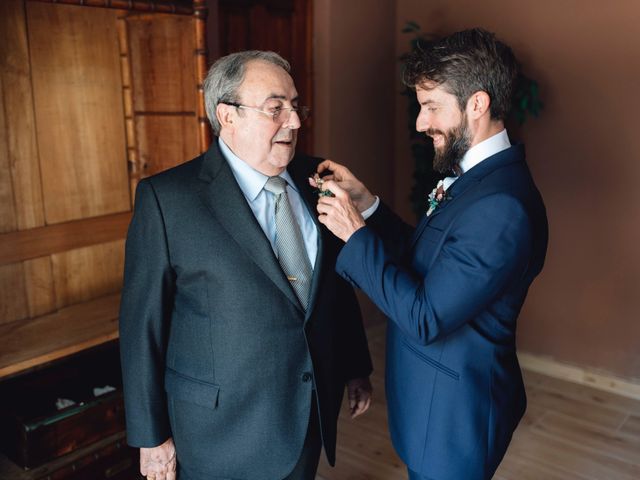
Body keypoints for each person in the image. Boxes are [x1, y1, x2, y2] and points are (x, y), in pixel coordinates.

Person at [119, 50, 373, 480]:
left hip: (307, 416)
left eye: (295, 107)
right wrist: (150, 436)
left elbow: (332, 286)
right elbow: (142, 326)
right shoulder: (168, 200)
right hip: (219, 432)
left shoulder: (319, 179)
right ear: (227, 115)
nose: (293, 121)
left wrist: (354, 366)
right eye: (276, 108)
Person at [313, 28, 548, 480]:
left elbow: (425, 317)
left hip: (455, 418)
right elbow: (428, 260)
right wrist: (368, 206)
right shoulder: (477, 180)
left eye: (431, 106)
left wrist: (354, 233)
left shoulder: (502, 206)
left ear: (476, 104)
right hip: (432, 402)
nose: (421, 123)